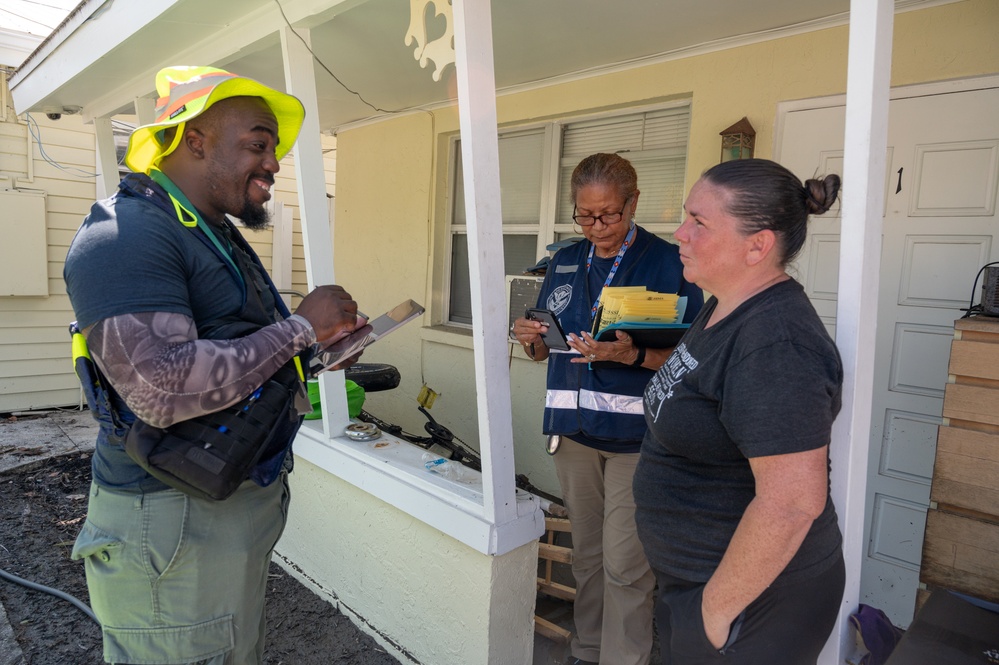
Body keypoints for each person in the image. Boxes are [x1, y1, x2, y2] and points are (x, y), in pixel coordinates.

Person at [64, 66, 367, 665]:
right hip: (170, 522)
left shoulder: (209, 232)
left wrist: (313, 351)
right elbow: (158, 389)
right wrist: (301, 325)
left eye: (274, 149)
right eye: (258, 144)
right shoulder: (126, 234)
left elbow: (236, 352)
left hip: (219, 508)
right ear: (194, 139)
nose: (274, 163)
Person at [634, 158, 846, 664]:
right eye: (686, 216)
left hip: (750, 602)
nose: (680, 234)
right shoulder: (724, 304)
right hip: (701, 583)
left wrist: (714, 611)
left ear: (758, 245)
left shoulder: (776, 341)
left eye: (699, 223)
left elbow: (792, 503)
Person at [512, 153, 703, 665]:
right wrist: (528, 338)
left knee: (626, 565)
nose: (597, 227)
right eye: (585, 216)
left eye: (609, 215)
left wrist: (633, 354)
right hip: (572, 435)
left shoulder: (670, 263)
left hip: (636, 442)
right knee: (589, 557)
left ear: (633, 203)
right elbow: (543, 349)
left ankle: (623, 659)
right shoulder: (565, 260)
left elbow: (696, 358)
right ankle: (587, 650)